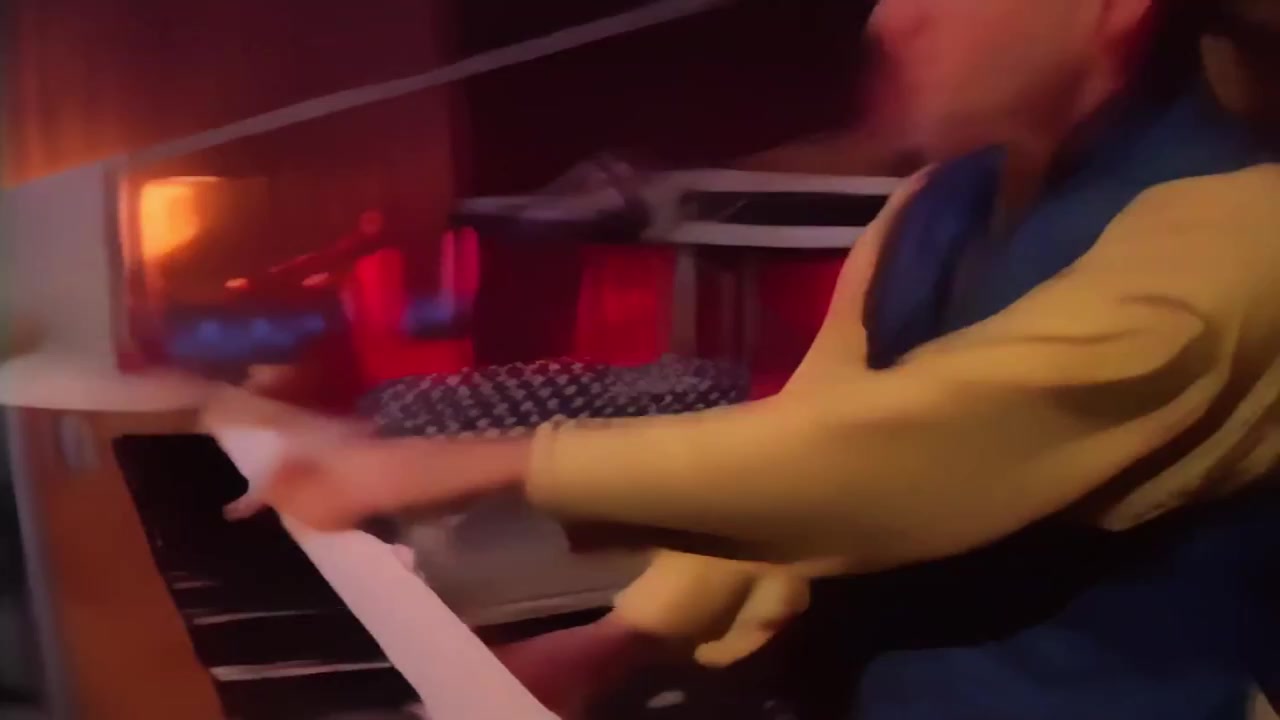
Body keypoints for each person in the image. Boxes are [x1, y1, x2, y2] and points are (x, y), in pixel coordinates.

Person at [228, 0, 1280, 717]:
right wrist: (618, 641)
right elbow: (804, 441)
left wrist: (463, 462)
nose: (888, 19)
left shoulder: (1241, 229)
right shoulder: (935, 201)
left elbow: (885, 463)